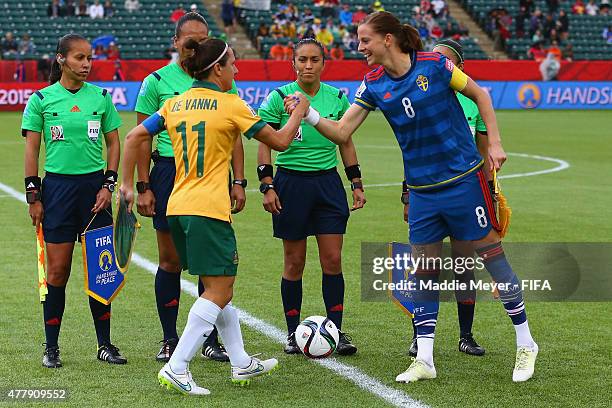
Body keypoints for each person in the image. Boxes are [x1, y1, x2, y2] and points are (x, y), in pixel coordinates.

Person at [285, 11, 538, 383]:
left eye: (365, 39)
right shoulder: (372, 82)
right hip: (422, 193)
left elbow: (480, 94)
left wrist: (495, 144)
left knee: (492, 258)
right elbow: (341, 132)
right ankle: (425, 358)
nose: (359, 47)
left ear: (387, 39)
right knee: (423, 273)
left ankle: (526, 343)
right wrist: (308, 115)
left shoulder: (436, 64)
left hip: (464, 181)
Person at [121, 37, 310, 396]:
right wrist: (299, 109)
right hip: (209, 209)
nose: (237, 69)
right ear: (218, 68)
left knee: (215, 286)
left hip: (177, 206)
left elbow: (133, 137)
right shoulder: (230, 104)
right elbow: (282, 142)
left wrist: (128, 185)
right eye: (233, 64)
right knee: (221, 289)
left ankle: (241, 362)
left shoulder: (174, 103)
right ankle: (177, 366)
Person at [135, 12, 246, 363]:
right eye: (189, 42)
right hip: (169, 173)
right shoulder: (156, 82)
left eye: (201, 41)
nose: (194, 47)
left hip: (211, 176)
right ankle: (170, 340)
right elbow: (139, 138)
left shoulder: (222, 79)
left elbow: (236, 137)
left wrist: (239, 181)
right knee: (170, 261)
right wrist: (143, 185)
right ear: (176, 43)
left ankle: (211, 340)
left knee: (207, 261)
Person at [21, 34, 126, 368]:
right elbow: (32, 150)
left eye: (90, 58)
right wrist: (33, 196)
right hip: (58, 193)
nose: (86, 64)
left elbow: (114, 143)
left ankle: (105, 345)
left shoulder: (102, 97)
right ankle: (51, 347)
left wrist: (108, 185)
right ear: (61, 59)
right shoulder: (41, 100)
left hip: (94, 192)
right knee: (58, 270)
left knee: (101, 271)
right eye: (79, 58)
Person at [257, 38, 364, 356]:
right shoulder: (278, 97)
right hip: (290, 184)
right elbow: (264, 141)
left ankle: (336, 331)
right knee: (294, 262)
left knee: (332, 260)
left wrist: (355, 182)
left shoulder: (337, 98)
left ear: (323, 63)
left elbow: (345, 141)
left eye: (314, 60)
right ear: (293, 63)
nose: (308, 65)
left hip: (327, 185)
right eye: (302, 60)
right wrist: (267, 184)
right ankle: (292, 334)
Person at [403, 39, 489, 358]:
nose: (434, 63)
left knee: (464, 265)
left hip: (465, 192)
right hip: (426, 193)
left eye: (443, 60)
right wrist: (406, 193)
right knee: (425, 266)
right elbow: (411, 149)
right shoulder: (417, 99)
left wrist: (490, 192)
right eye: (431, 57)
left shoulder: (473, 103)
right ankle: (420, 337)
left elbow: (483, 153)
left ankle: (465, 335)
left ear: (458, 68)